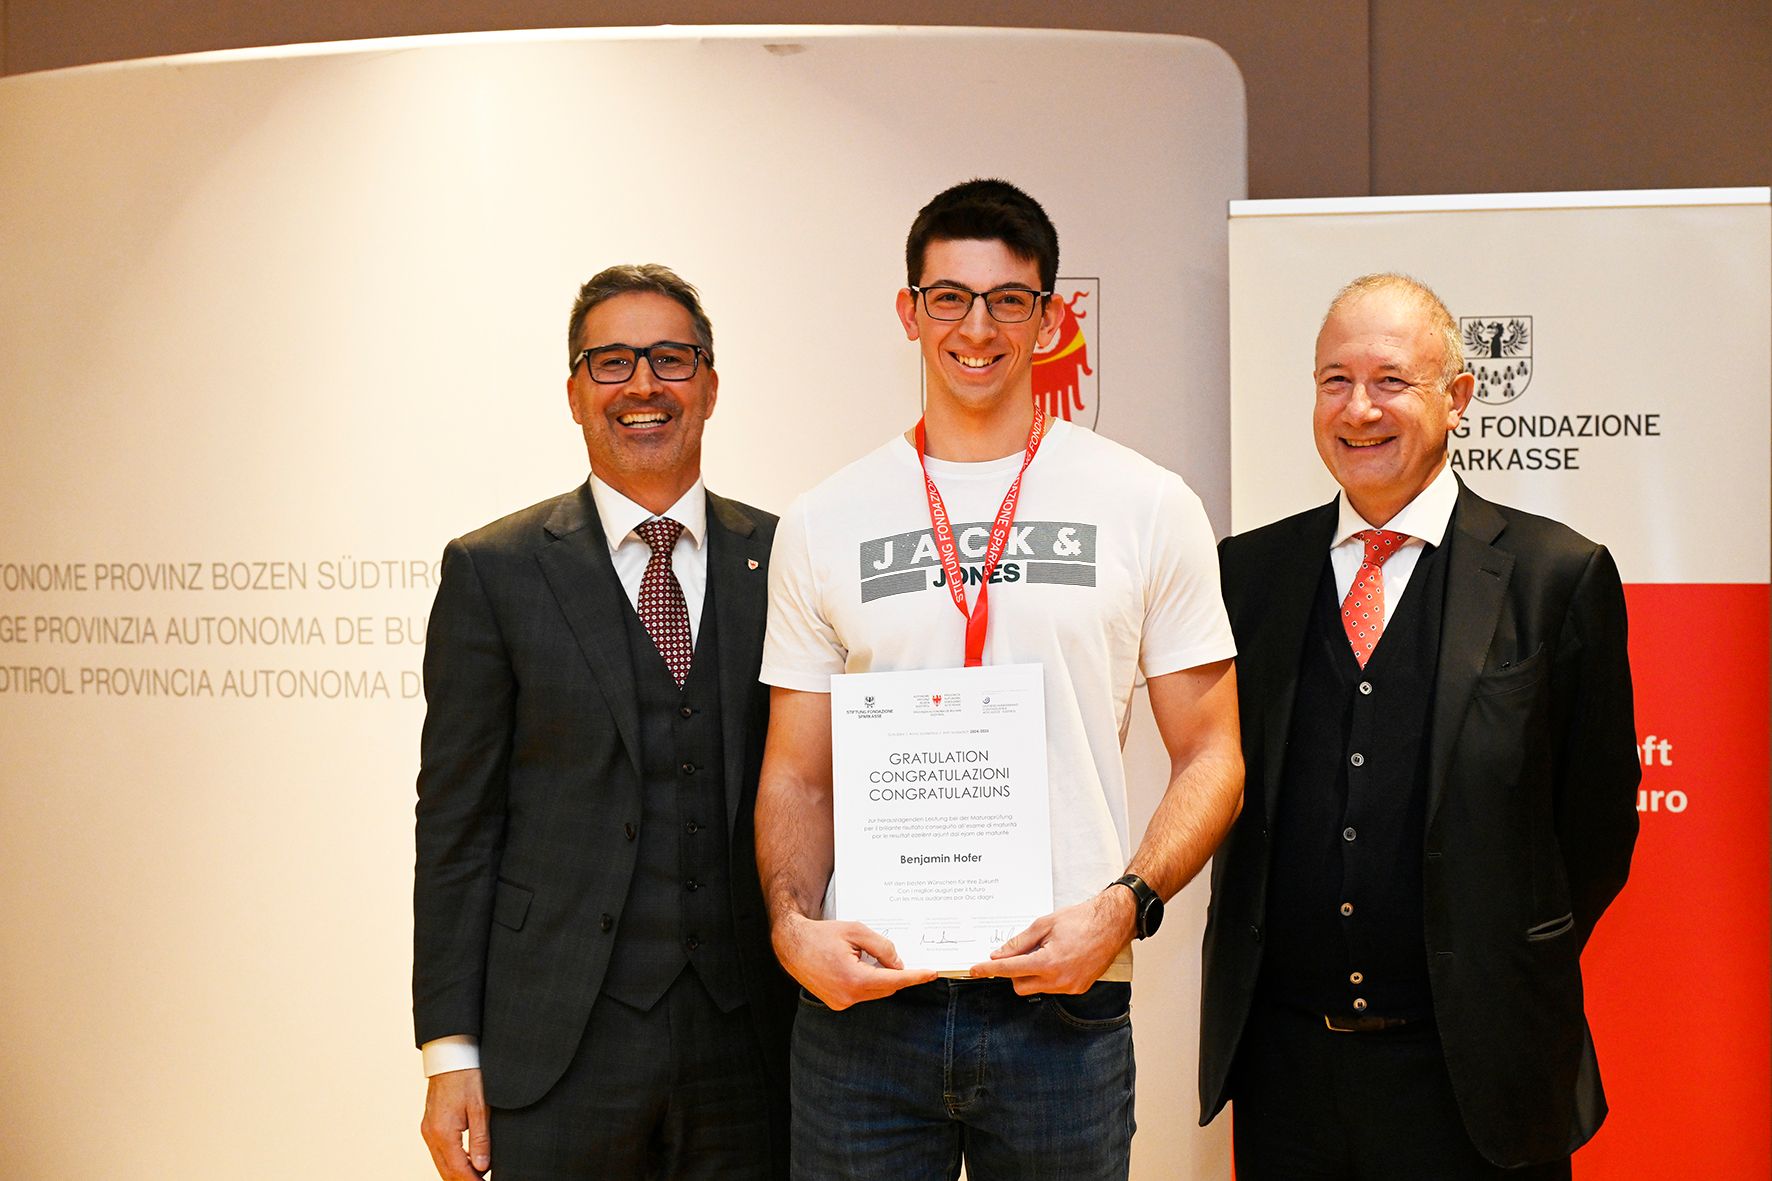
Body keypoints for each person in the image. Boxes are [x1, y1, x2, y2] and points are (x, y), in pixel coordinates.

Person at [754, 178, 1243, 1179]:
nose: (976, 328)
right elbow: (797, 774)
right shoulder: (822, 520)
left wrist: (1123, 905)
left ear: (1050, 319)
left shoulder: (1147, 504)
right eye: (949, 297)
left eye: (1008, 299)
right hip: (869, 1005)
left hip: (1061, 1003)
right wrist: (792, 927)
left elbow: (1212, 753)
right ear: (909, 311)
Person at [1200, 273, 1640, 1178]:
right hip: (1288, 1077)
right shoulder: (1246, 574)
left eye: (1391, 380)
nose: (1358, 408)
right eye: (1335, 380)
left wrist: (1495, 954)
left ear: (1458, 397)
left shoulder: (1556, 574)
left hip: (1480, 1076)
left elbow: (1596, 825)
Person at [412, 264, 792, 1181]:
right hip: (558, 1045)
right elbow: (457, 827)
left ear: (710, 385)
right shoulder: (494, 570)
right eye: (612, 361)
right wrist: (450, 1051)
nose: (643, 384)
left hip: (753, 1048)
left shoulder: (787, 558)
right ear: (576, 393)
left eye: (670, 358)